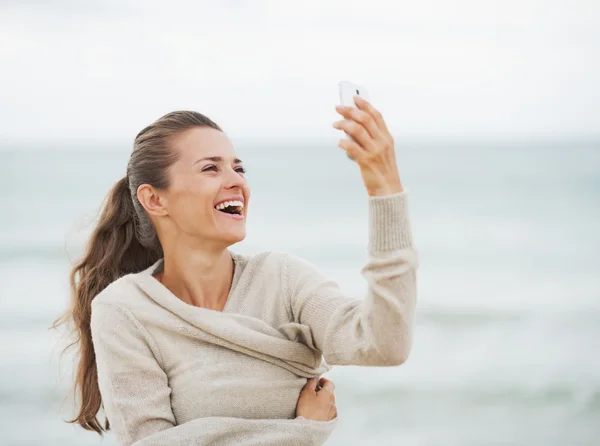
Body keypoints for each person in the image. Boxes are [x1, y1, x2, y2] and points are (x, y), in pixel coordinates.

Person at [53, 95, 418, 445]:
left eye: (238, 167)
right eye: (211, 168)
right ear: (154, 199)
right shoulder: (125, 310)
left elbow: (385, 344)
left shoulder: (283, 278)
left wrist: (383, 187)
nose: (237, 181)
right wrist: (301, 432)